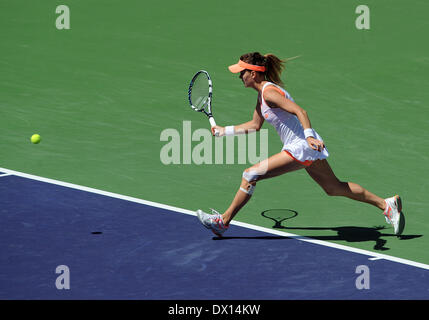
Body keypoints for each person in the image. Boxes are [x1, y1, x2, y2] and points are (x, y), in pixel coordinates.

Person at [196, 52, 403, 237]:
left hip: (301, 145)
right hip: (305, 147)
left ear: (254, 74)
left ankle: (223, 221)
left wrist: (309, 136)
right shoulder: (262, 97)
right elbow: (254, 125)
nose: (239, 76)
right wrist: (224, 131)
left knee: (251, 174)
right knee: (333, 187)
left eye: (242, 72)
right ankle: (386, 205)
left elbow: (300, 111)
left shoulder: (269, 93)